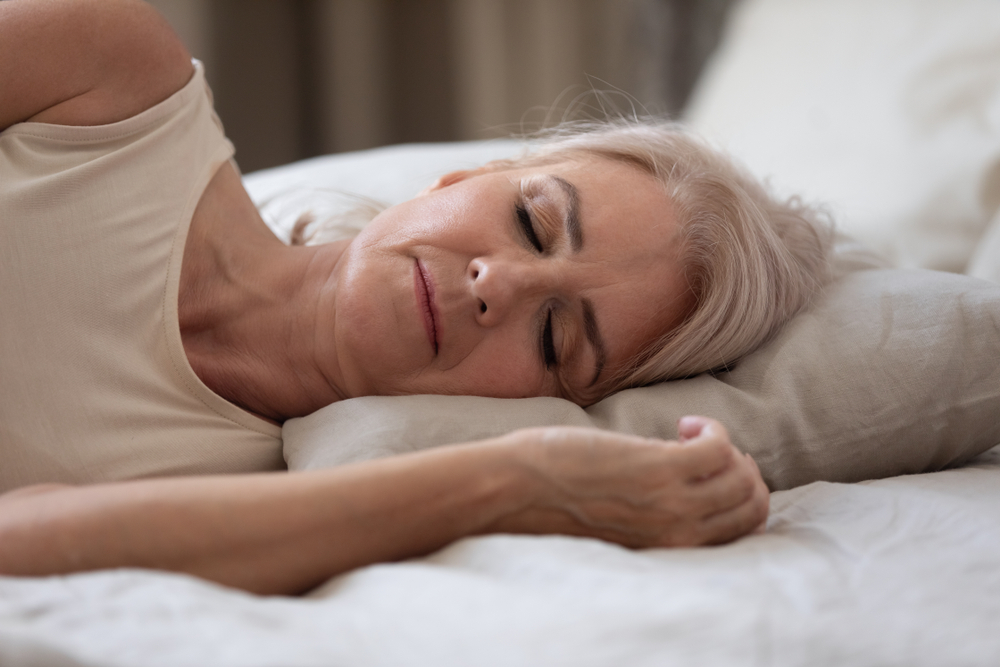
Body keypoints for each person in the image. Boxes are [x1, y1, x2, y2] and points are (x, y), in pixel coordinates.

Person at [0, 0, 830, 595]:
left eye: (554, 341)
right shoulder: (111, 80)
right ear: (464, 178)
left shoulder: (263, 508)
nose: (498, 286)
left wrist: (525, 481)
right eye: (533, 223)